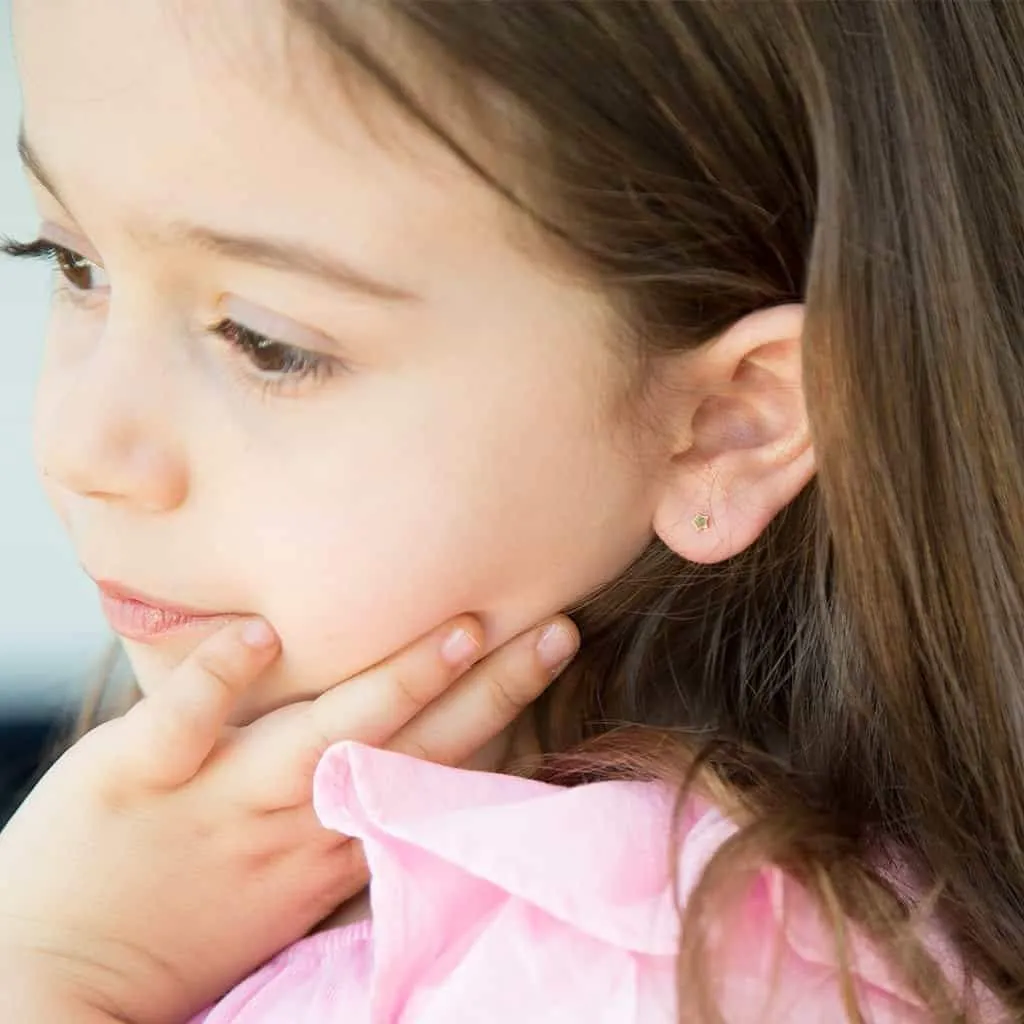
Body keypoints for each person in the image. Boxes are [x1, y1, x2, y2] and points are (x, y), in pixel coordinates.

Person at [0, 0, 1019, 1020]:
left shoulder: (664, 981)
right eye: (74, 262)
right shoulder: (157, 835)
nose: (84, 448)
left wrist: (53, 972)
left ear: (723, 425)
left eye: (268, 342)